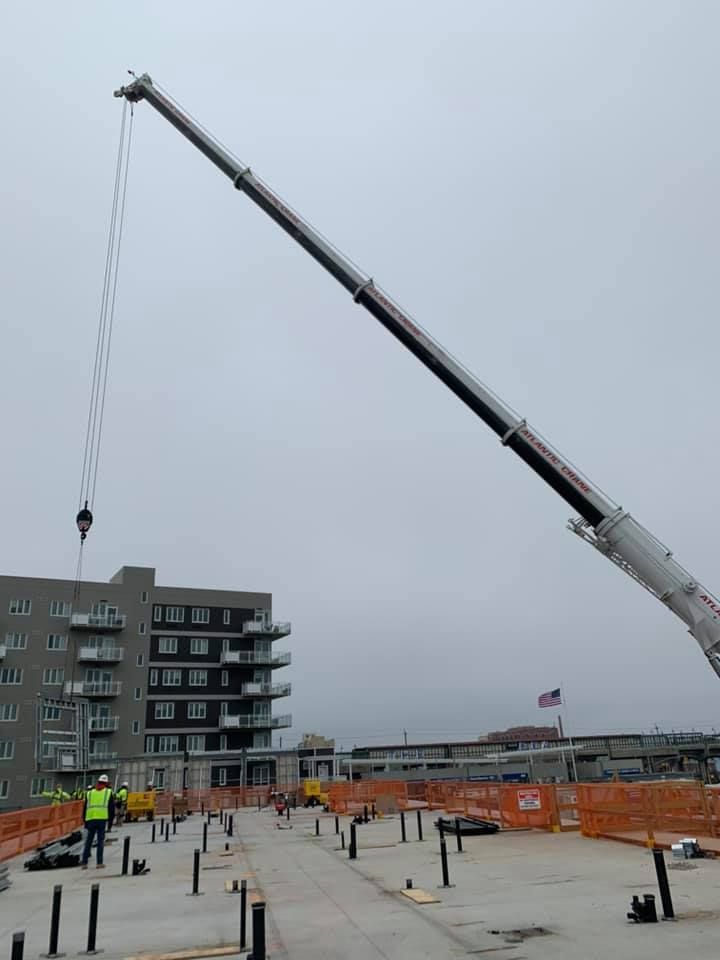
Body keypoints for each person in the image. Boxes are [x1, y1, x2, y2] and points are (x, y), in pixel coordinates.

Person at [81, 774, 115, 869]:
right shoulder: (108, 792)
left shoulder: (90, 793)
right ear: (106, 783)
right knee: (100, 841)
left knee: (88, 842)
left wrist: (84, 820)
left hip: (90, 819)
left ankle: (84, 863)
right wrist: (110, 823)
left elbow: (85, 808)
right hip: (101, 820)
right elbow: (111, 808)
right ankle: (99, 863)